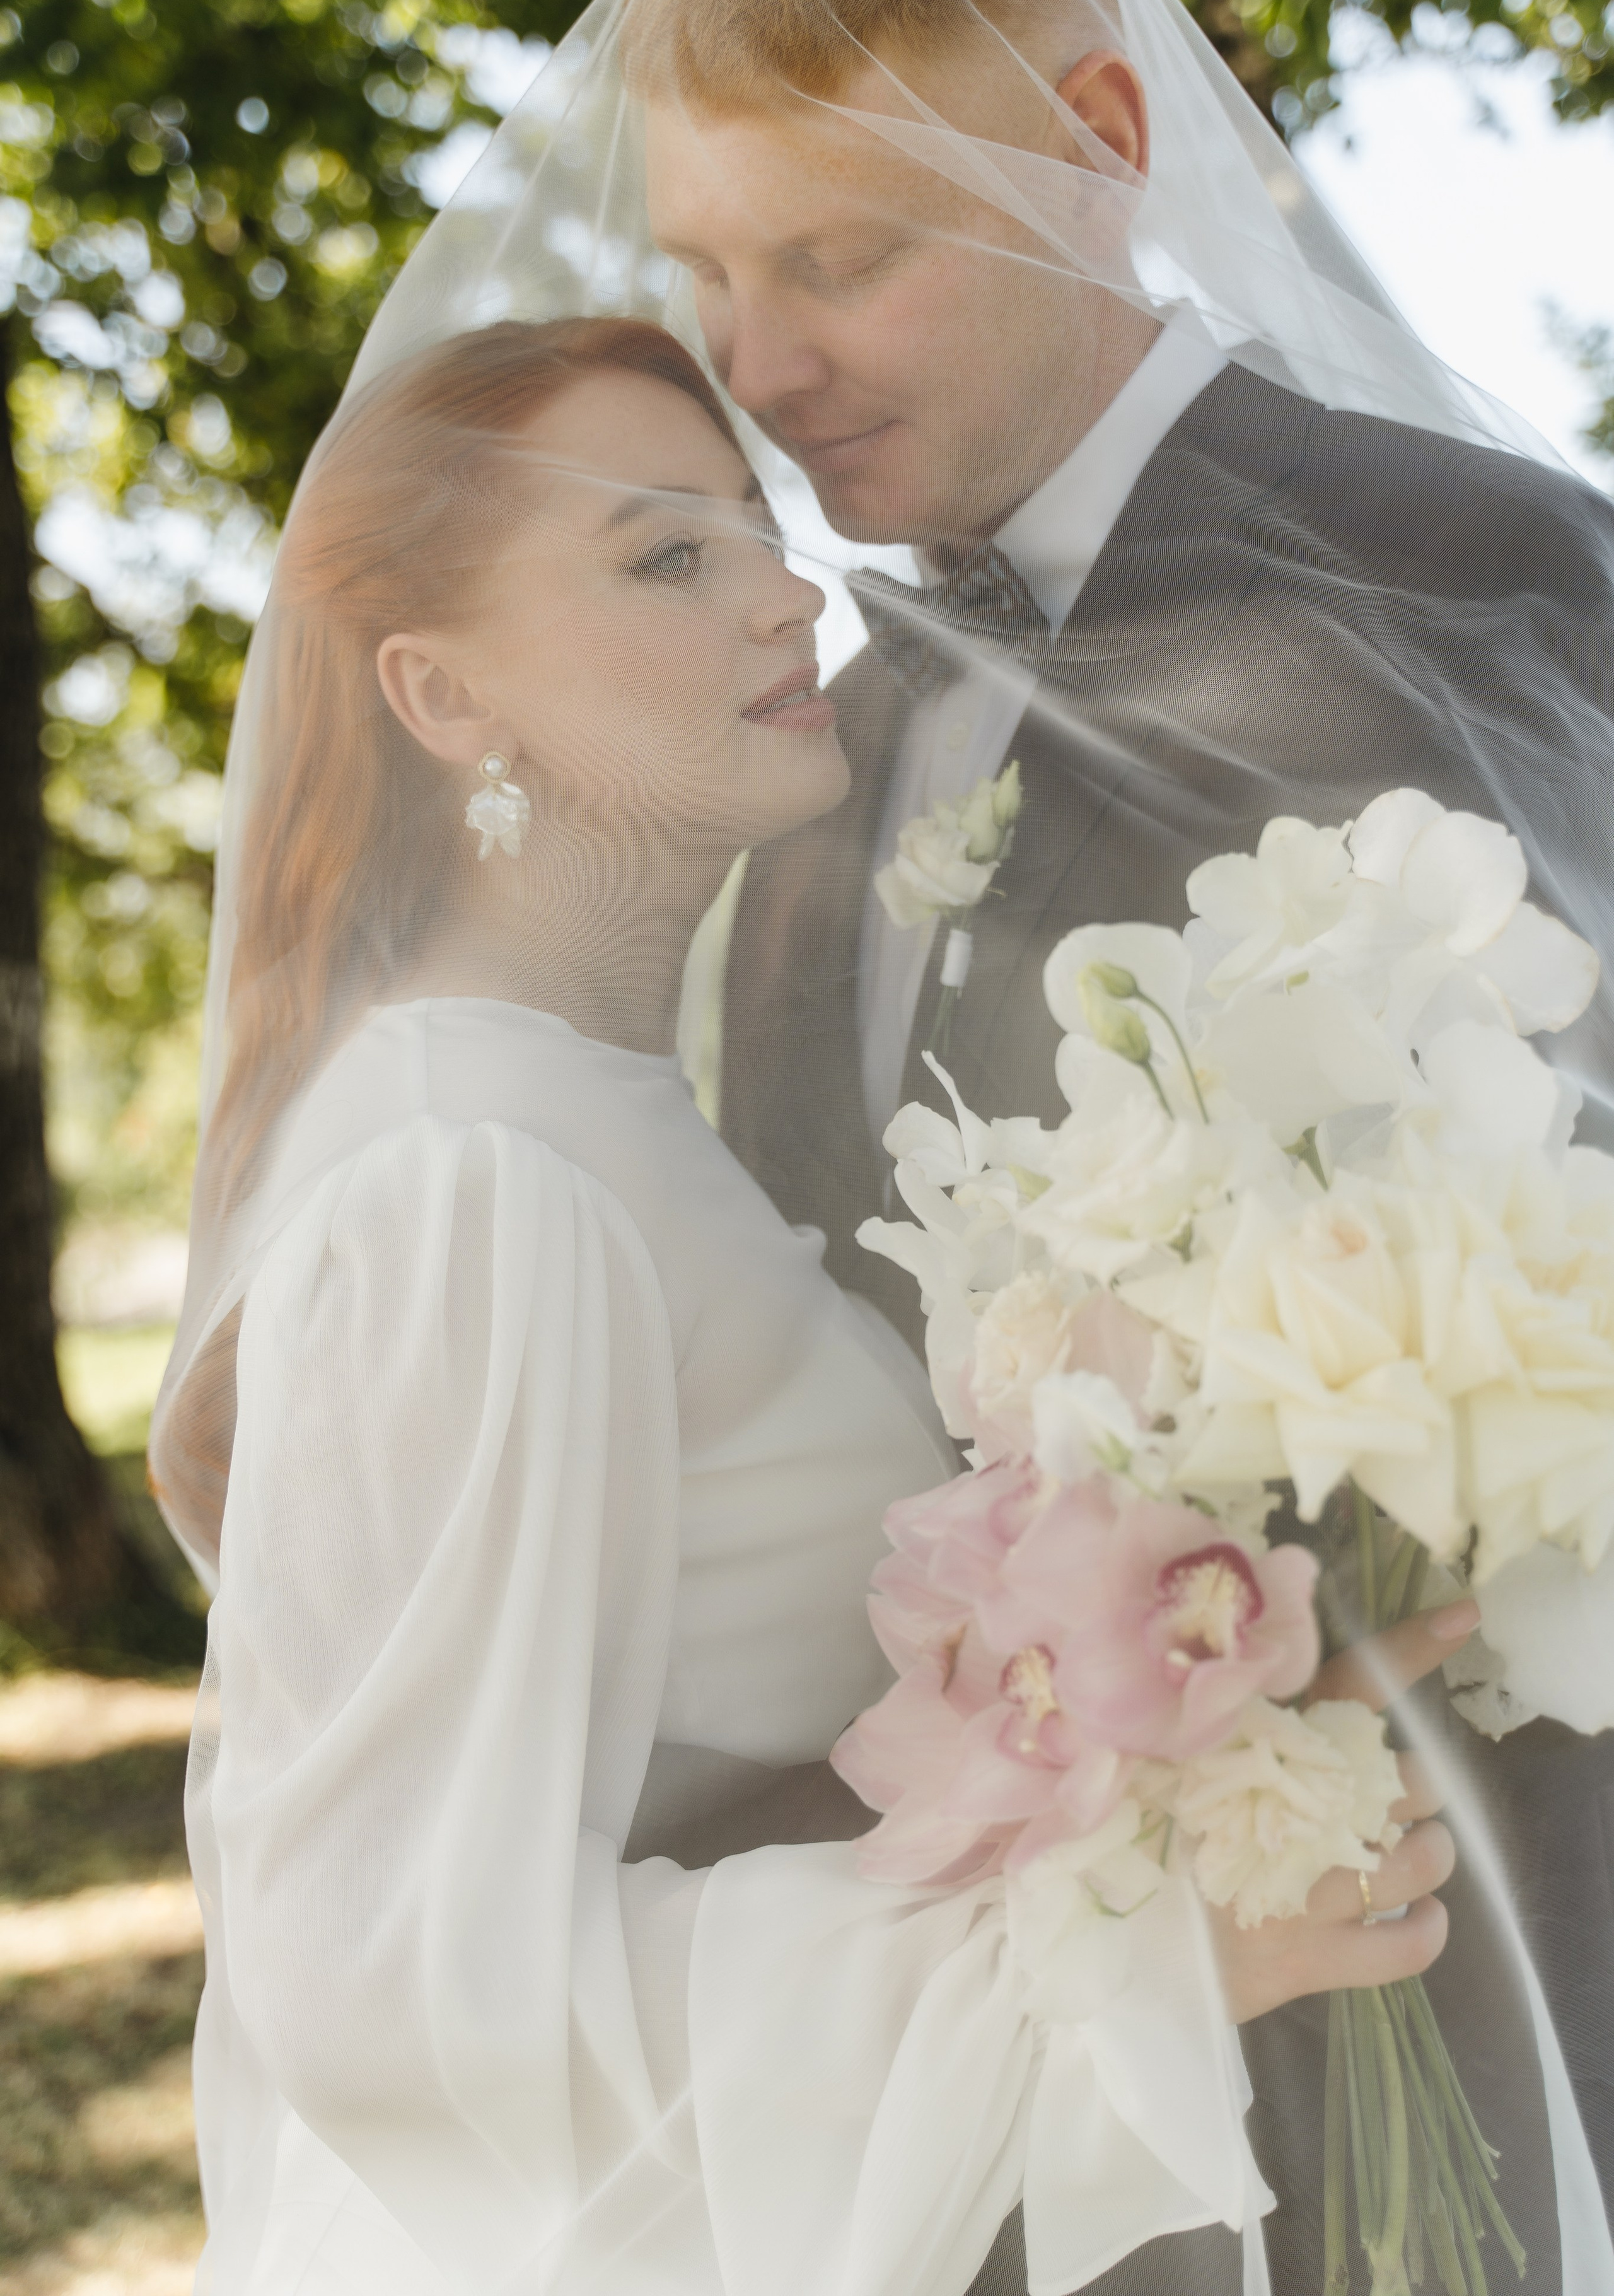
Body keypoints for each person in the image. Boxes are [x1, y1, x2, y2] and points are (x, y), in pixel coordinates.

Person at [151, 314, 1471, 2296]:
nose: (788, 593)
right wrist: (1122, 1961)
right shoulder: (477, 1176)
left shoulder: (583, 1112)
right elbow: (391, 1980)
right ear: (443, 692)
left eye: (756, 528)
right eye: (667, 555)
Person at [611, 0, 1614, 2286]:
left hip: (1469, 1984)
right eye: (706, 275)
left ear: (1095, 137)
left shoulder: (1482, 572)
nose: (760, 364)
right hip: (1000, 2088)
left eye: (840, 256)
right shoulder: (811, 737)